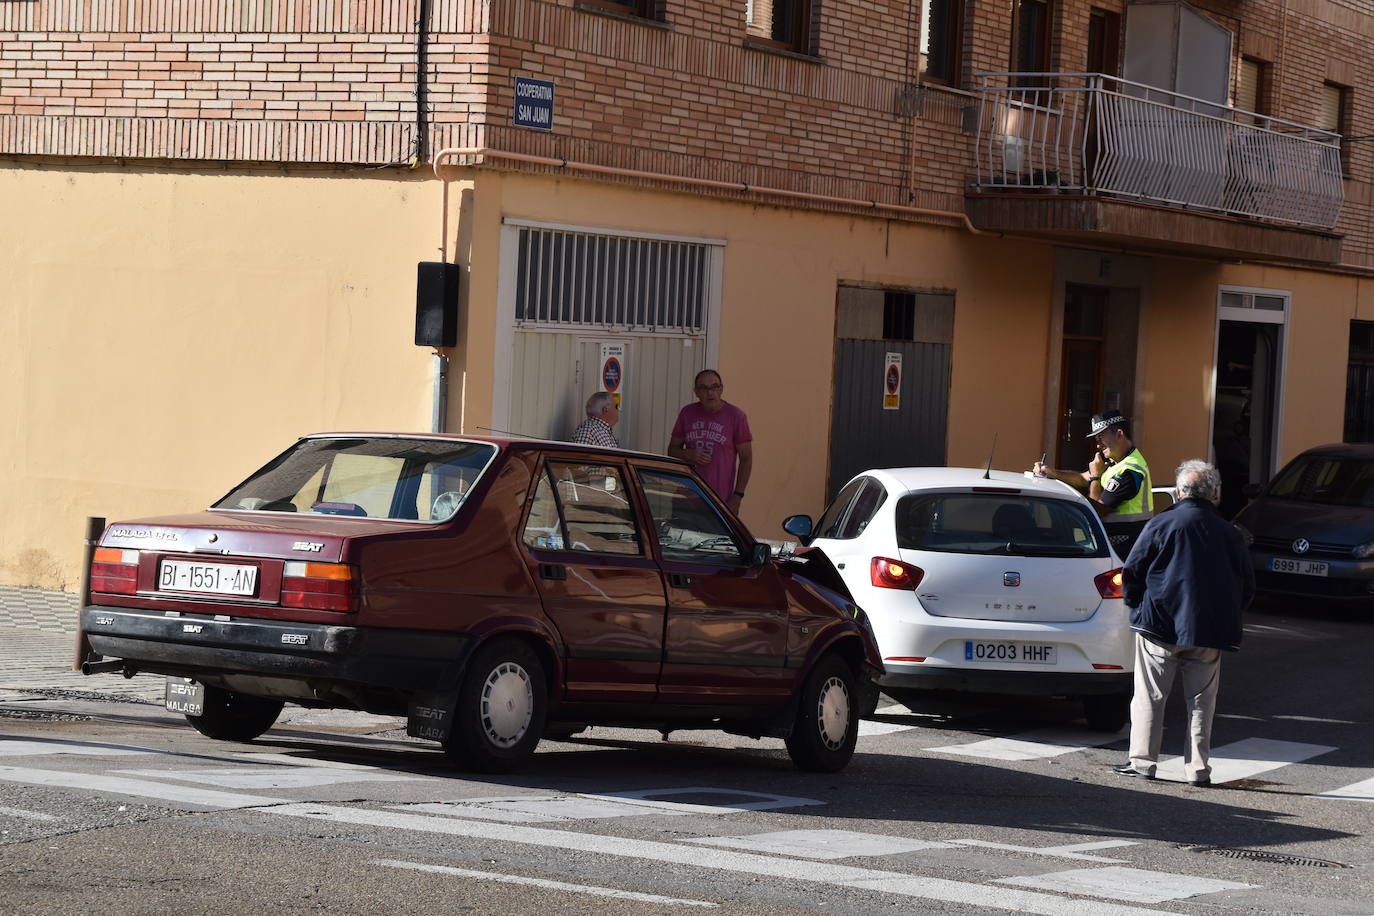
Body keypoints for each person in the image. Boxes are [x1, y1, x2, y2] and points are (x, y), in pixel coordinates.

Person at [1113, 459, 1254, 787]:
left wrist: (1136, 606)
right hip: (1209, 630)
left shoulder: (1162, 524)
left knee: (1150, 696)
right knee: (1202, 702)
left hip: (1159, 624)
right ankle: (1198, 770)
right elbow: (1247, 585)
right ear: (1215, 493)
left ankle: (1143, 762)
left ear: (1177, 492)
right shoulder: (1230, 533)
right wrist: (1229, 614)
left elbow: (1132, 570)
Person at [1033, 410, 1153, 554]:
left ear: (1119, 434)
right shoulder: (1116, 461)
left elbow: (1097, 510)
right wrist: (1050, 472)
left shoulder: (1130, 470)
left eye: (1101, 437)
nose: (1098, 445)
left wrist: (1096, 477)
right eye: (1096, 439)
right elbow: (1083, 478)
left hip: (1126, 549)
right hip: (1114, 546)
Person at [668, 369, 753, 513]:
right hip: (686, 498)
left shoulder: (736, 417)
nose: (710, 392)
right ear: (696, 392)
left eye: (714, 387)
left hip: (719, 501)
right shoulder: (687, 413)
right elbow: (672, 450)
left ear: (721, 389)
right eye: (704, 388)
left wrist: (737, 496)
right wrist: (689, 454)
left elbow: (746, 458)